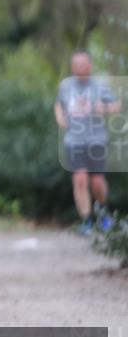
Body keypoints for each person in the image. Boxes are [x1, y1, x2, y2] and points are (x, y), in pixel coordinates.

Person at [54, 50, 120, 234]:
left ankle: (104, 211)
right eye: (75, 66)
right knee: (80, 178)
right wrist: (60, 119)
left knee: (97, 182)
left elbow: (117, 107)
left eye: (82, 65)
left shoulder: (101, 86)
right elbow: (59, 104)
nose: (79, 69)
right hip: (74, 141)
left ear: (90, 66)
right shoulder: (66, 86)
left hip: (96, 140)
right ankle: (87, 220)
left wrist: (102, 108)